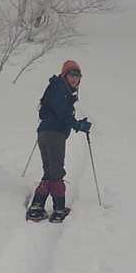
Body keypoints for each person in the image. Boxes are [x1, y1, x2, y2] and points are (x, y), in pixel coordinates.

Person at [27, 59, 92, 221]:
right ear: (64, 75)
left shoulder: (59, 88)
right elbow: (62, 113)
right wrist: (78, 125)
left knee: (50, 171)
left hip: (45, 133)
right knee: (56, 172)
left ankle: (37, 206)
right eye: (72, 74)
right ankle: (58, 209)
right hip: (54, 134)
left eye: (78, 75)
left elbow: (50, 111)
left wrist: (75, 122)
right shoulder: (60, 88)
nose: (75, 78)